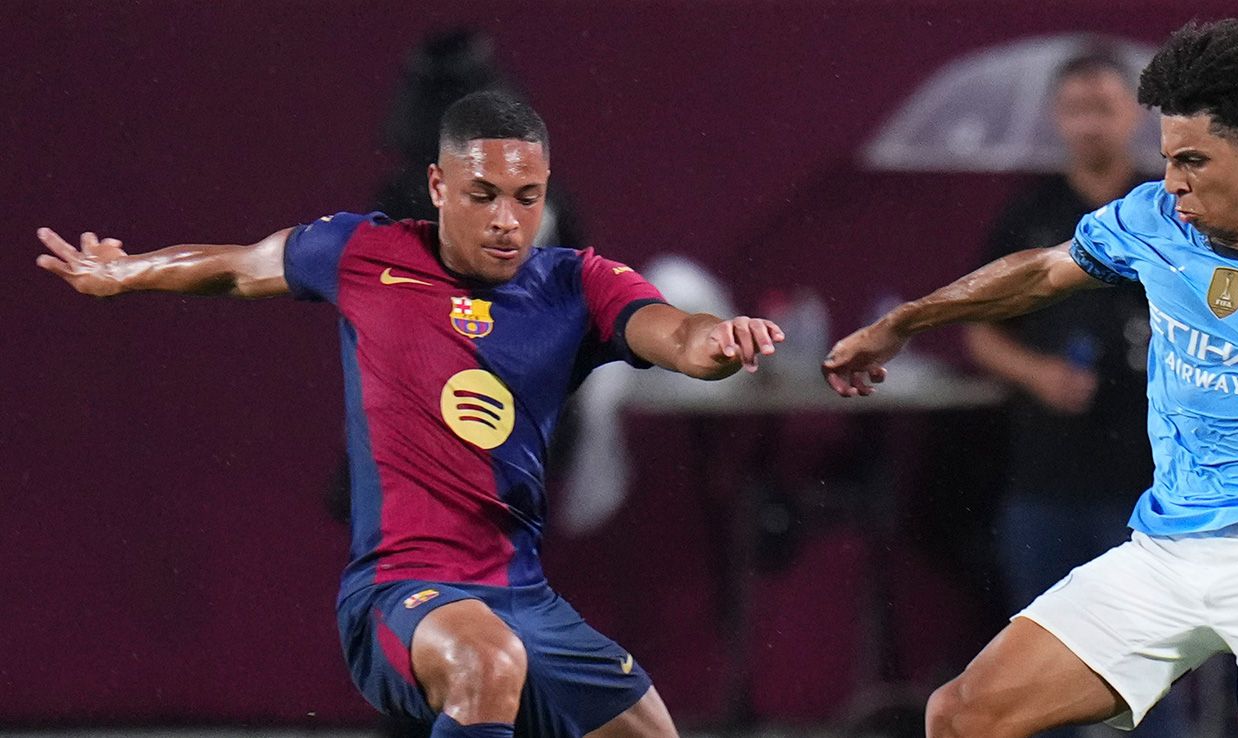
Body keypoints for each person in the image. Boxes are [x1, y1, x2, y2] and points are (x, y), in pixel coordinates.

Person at [36, 91, 784, 738]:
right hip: (401, 593)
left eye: (527, 198)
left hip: (527, 601)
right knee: (489, 662)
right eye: (483, 193)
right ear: (436, 184)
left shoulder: (578, 285)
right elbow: (236, 267)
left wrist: (720, 340)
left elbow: (679, 334)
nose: (507, 221)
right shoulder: (366, 254)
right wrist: (125, 272)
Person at [823, 17, 1238, 738]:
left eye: (1193, 161)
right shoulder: (1152, 220)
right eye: (1168, 159)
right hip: (1169, 550)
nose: (1172, 182)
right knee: (959, 716)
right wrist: (907, 322)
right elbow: (1041, 272)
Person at [962, 50, 1189, 738]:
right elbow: (982, 332)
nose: (1090, 125)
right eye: (1076, 110)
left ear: (1134, 117)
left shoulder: (1173, 210)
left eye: (1104, 108)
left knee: (1150, 668)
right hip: (1046, 476)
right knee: (1041, 667)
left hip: (1151, 482)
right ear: (1058, 120)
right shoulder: (1030, 216)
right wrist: (1036, 374)